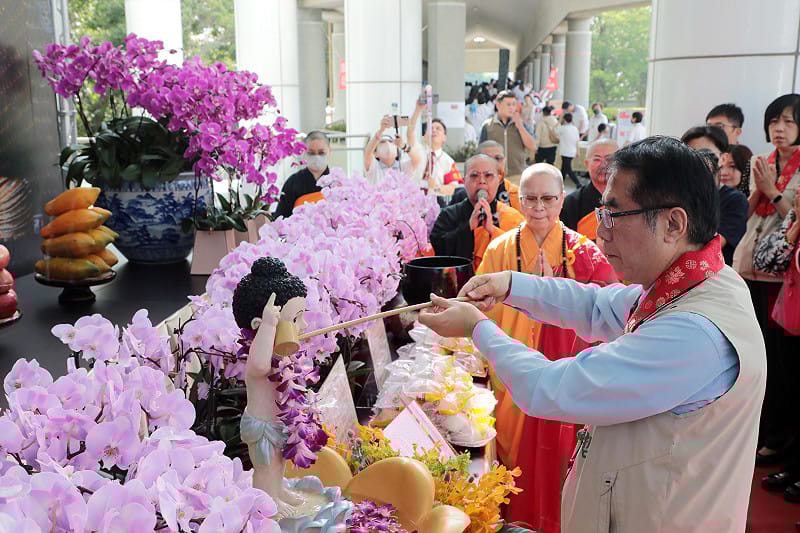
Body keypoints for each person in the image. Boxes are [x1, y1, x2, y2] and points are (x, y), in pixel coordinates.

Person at [420, 136, 766, 533]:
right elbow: (598, 306)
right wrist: (510, 284)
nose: (602, 234)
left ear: (673, 223)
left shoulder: (695, 333)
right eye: (602, 213)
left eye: (614, 217)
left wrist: (476, 327)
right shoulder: (690, 280)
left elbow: (552, 387)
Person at [476, 163, 616, 532]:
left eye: (548, 198)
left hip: (565, 370)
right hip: (511, 368)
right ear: (518, 200)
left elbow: (610, 313)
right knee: (512, 457)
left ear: (562, 199)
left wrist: (554, 293)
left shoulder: (585, 253)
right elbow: (480, 305)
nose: (539, 206)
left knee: (560, 463)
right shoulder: (499, 249)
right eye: (531, 198)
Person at [733, 93, 800, 468]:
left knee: (780, 361)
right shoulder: (761, 162)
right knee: (753, 354)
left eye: (789, 121)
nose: (780, 128)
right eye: (775, 121)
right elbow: (739, 215)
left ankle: (778, 437)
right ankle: (760, 430)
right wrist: (760, 187)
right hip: (749, 266)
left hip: (783, 276)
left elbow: (797, 219)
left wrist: (774, 192)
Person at [430, 154, 524, 271]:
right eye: (474, 175)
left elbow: (522, 256)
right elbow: (438, 251)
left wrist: (492, 231)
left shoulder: (513, 217)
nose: (481, 181)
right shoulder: (449, 215)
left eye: (488, 175)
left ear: (499, 180)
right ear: (464, 181)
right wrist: (468, 227)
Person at [681, 125, 747, 265]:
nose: (700, 162)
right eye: (692, 155)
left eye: (707, 154)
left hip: (713, 278)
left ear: (723, 158)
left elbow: (710, 246)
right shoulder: (676, 196)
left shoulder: (735, 200)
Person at [560, 138, 618, 239]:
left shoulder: (633, 200)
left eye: (609, 159)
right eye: (597, 159)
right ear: (586, 164)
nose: (604, 165)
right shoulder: (572, 203)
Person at [479, 90, 538, 181]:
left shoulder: (521, 124)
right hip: (494, 176)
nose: (511, 108)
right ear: (498, 105)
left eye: (514, 104)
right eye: (508, 104)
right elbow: (480, 152)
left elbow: (533, 147)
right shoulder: (488, 126)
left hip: (517, 175)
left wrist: (519, 125)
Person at [449, 140, 520, 211]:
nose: (493, 163)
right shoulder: (462, 196)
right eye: (486, 158)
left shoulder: (516, 194)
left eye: (498, 158)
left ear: (505, 160)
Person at [274, 131, 330, 218]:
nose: (316, 157)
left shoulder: (337, 183)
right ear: (304, 152)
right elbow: (281, 217)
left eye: (321, 153)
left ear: (329, 151)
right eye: (311, 153)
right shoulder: (293, 182)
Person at [409, 102, 462, 191]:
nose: (433, 130)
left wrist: (436, 188)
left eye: (438, 129)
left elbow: (453, 188)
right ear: (425, 135)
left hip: (435, 201)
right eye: (430, 128)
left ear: (444, 137)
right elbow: (409, 133)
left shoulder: (448, 161)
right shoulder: (417, 150)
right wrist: (417, 110)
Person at [363, 115, 423, 185]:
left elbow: (417, 159)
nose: (387, 144)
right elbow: (368, 151)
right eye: (382, 142)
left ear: (397, 150)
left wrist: (404, 146)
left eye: (391, 141)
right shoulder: (373, 167)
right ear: (375, 153)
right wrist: (381, 130)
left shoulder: (403, 166)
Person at [556, 112, 581, 188]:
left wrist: (559, 121)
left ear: (564, 119)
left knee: (568, 168)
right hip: (572, 151)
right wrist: (578, 151)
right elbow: (577, 141)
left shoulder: (562, 128)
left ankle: (578, 183)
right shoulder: (575, 128)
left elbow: (554, 130)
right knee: (564, 167)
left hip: (565, 151)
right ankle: (560, 183)